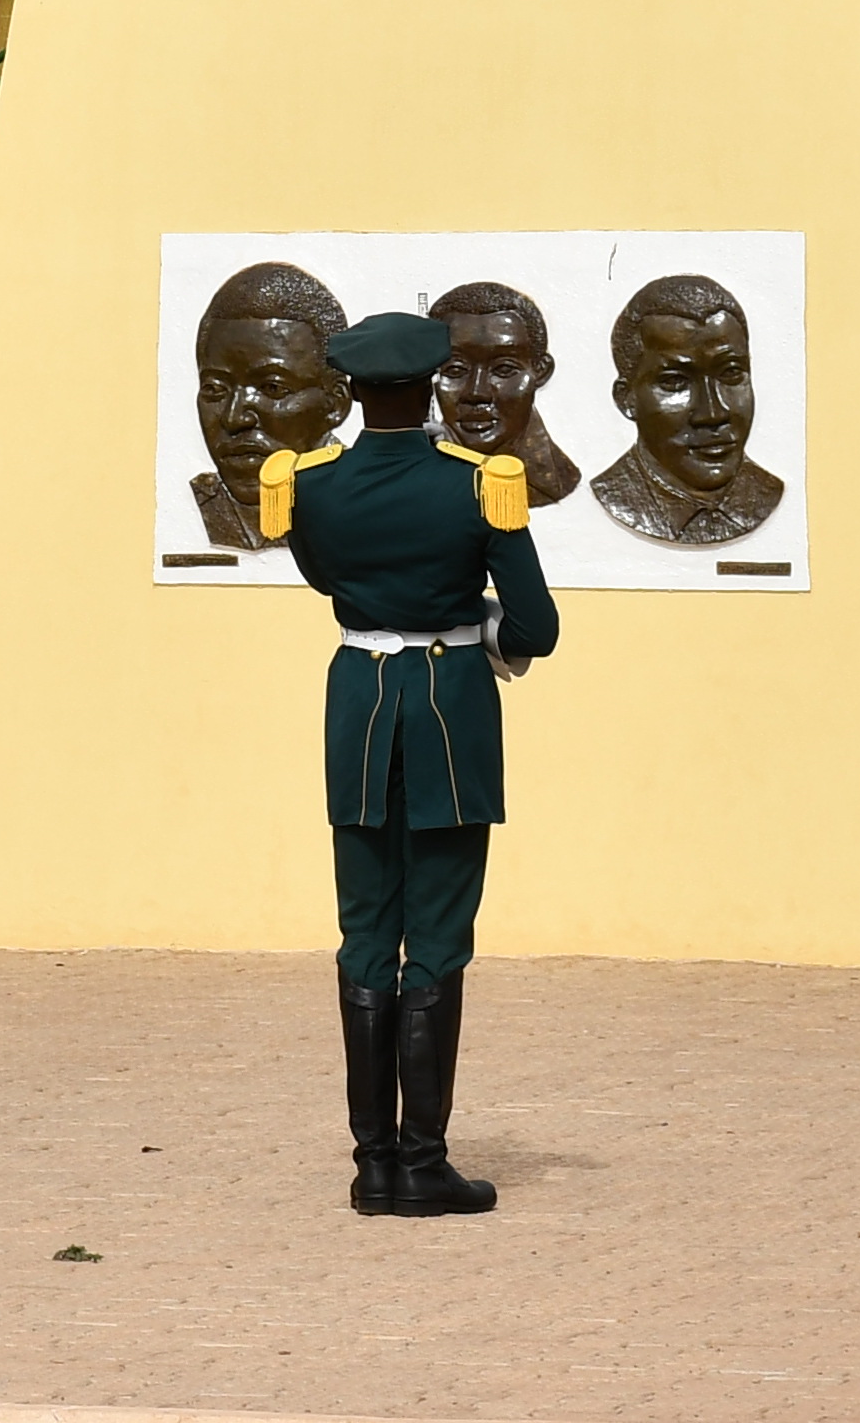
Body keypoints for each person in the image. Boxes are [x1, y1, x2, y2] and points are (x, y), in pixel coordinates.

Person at [268, 311, 560, 1217]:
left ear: (352, 390)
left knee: (365, 929)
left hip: (357, 705)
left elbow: (325, 582)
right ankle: (424, 1163)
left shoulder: (309, 486)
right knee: (434, 933)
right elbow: (537, 630)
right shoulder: (480, 485)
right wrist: (476, 621)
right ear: (433, 385)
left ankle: (373, 1166)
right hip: (447, 712)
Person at [587, 270, 785, 547]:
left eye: (730, 374)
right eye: (675, 381)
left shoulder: (766, 492)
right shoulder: (615, 495)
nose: (713, 413)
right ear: (626, 398)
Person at [187, 258, 352, 548]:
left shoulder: (367, 504)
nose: (235, 417)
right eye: (215, 389)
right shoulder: (202, 505)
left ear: (335, 404)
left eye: (273, 387)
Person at [427, 278, 581, 510]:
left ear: (540, 371)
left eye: (504, 369)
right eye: (455, 369)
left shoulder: (556, 480)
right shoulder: (420, 479)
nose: (477, 392)